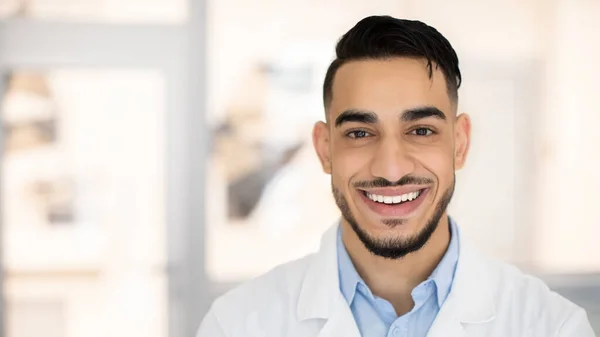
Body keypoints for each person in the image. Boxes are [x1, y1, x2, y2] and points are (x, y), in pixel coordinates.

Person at [196, 15, 596, 337]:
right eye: (359, 133)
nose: (391, 169)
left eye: (421, 131)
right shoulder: (237, 324)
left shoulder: (551, 326)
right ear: (323, 149)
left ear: (459, 143)